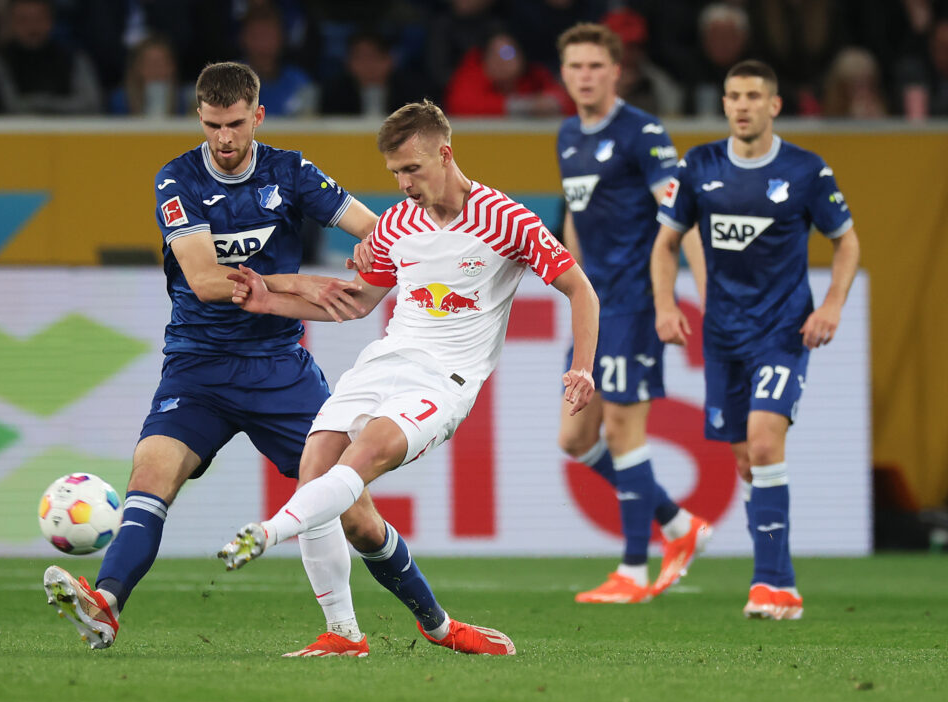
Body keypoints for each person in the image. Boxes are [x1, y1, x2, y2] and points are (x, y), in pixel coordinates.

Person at [41, 63, 465, 660]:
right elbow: (207, 280)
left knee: (356, 517)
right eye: (213, 125)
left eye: (236, 124)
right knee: (150, 476)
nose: (224, 138)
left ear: (257, 116)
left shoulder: (290, 172)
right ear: (199, 118)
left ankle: (437, 621)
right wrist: (304, 284)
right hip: (198, 365)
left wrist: (389, 248)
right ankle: (106, 604)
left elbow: (376, 228)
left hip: (279, 370)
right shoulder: (177, 180)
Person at [219, 99, 600, 654]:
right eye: (395, 172)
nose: (403, 183)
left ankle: (268, 532)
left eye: (412, 169)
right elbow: (355, 303)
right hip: (384, 362)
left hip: (444, 382)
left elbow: (580, 289)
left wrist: (582, 366)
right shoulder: (396, 224)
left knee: (361, 458)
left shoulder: (507, 219)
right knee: (320, 475)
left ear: (444, 154)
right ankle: (346, 634)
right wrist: (268, 301)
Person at [650, 59, 861, 620]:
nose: (741, 105)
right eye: (732, 96)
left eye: (752, 96)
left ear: (774, 106)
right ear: (724, 104)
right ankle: (778, 582)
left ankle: (772, 582)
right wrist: (667, 306)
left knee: (766, 443)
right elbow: (666, 242)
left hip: (783, 331)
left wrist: (834, 305)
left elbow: (846, 242)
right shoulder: (699, 166)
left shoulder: (805, 171)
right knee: (747, 461)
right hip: (723, 335)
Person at [555, 22, 711, 605]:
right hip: (596, 305)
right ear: (564, 73)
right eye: (576, 66)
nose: (586, 76)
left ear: (616, 71)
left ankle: (633, 571)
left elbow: (680, 215)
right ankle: (677, 523)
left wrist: (681, 297)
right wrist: (569, 283)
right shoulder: (568, 135)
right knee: (575, 437)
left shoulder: (643, 133)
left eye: (596, 65)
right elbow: (574, 217)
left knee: (623, 430)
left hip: (638, 301)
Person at [0, 0, 101, 114]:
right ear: (10, 23)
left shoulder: (74, 58)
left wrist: (42, 104)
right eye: (23, 20)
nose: (32, 27)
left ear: (51, 21)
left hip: (70, 133)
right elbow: (7, 106)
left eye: (39, 19)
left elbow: (91, 104)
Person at [444, 29, 573, 117]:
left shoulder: (536, 76)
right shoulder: (471, 74)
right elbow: (460, 105)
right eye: (492, 54)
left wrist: (554, 103)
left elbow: (567, 101)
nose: (499, 61)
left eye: (507, 53)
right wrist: (523, 106)